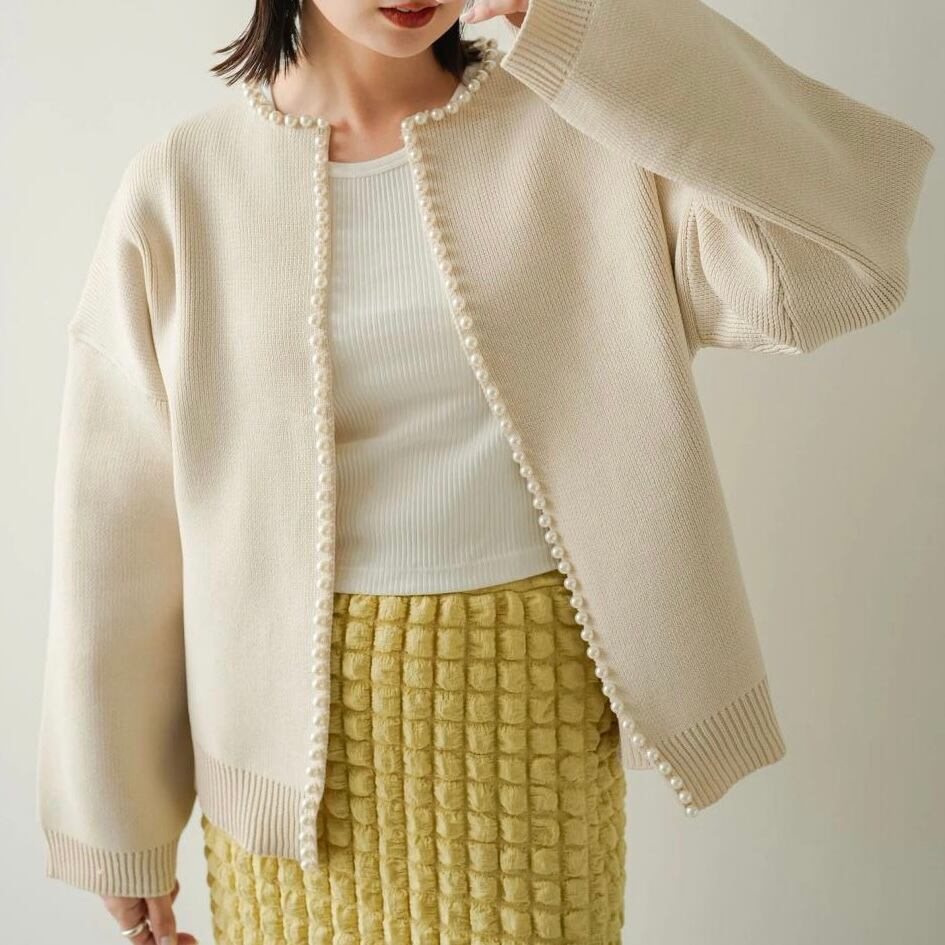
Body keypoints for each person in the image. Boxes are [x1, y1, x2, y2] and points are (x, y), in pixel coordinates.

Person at [35, 1, 933, 943]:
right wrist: (117, 827)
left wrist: (586, 26)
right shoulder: (184, 186)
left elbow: (850, 254)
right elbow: (116, 535)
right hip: (288, 777)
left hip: (533, 720)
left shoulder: (584, 132)